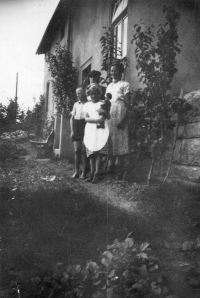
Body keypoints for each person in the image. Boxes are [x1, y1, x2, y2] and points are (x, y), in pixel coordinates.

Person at [82, 84, 111, 183]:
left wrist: (103, 115)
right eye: (91, 94)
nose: (93, 96)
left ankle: (96, 174)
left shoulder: (102, 103)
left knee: (99, 152)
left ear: (99, 94)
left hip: (100, 129)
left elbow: (107, 116)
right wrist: (97, 120)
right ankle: (91, 172)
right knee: (91, 153)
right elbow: (86, 118)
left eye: (95, 94)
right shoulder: (86, 105)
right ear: (89, 94)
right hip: (90, 129)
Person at [106, 61, 130, 179]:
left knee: (120, 142)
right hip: (110, 115)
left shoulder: (124, 85)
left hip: (120, 113)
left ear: (121, 72)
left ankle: (120, 171)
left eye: (116, 70)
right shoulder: (109, 86)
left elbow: (128, 104)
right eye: (111, 70)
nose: (113, 73)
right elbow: (106, 103)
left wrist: (123, 119)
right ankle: (111, 169)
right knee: (110, 141)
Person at [70, 85, 87, 179]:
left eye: (79, 93)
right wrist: (72, 130)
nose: (78, 95)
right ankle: (76, 171)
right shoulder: (76, 104)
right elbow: (71, 119)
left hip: (85, 126)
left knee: (84, 151)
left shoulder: (88, 104)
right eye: (77, 94)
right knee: (77, 151)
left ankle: (83, 172)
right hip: (76, 126)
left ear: (84, 93)